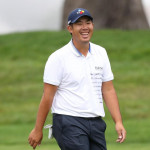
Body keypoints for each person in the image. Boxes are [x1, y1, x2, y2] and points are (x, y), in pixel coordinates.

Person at [28, 8, 126, 150]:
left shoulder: (101, 53)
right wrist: (38, 129)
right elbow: (48, 96)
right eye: (79, 24)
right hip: (68, 121)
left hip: (96, 122)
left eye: (88, 23)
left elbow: (108, 89)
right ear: (70, 28)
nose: (85, 27)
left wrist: (118, 122)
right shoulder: (58, 58)